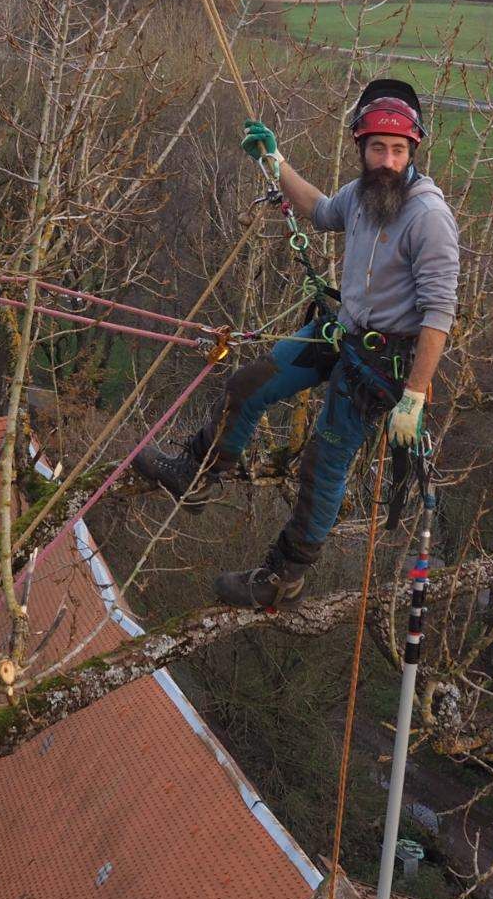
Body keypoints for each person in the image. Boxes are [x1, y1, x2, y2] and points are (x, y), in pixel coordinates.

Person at [136, 80, 460, 609]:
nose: (387, 159)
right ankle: (196, 475)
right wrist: (274, 161)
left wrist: (415, 394)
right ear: (361, 148)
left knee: (324, 463)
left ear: (413, 152)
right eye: (377, 148)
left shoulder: (428, 217)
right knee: (248, 385)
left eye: (398, 150)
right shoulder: (360, 196)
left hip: (382, 366)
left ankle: (283, 576)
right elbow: (320, 209)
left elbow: (439, 314)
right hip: (343, 334)